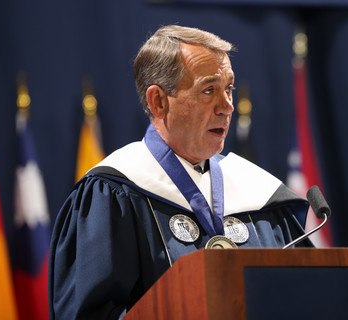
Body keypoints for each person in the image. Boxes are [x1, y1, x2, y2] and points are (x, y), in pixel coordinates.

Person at [48, 25, 313, 320]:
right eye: (209, 90)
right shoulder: (114, 194)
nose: (227, 107)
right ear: (158, 101)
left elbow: (310, 295)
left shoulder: (259, 194)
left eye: (229, 89)